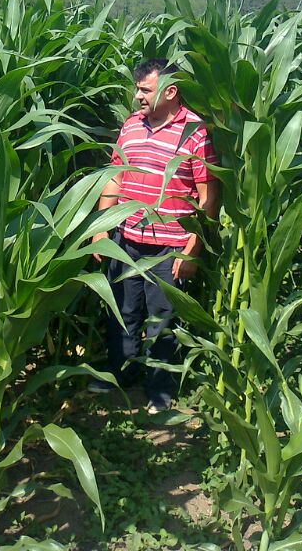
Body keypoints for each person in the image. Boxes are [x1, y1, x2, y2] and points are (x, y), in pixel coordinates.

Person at [88, 58, 220, 413]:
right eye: (138, 88)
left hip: (170, 245)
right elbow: (115, 177)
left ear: (170, 91)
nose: (137, 96)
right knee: (124, 312)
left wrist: (193, 248)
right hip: (127, 238)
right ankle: (122, 373)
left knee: (163, 320)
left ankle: (160, 390)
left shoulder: (195, 131)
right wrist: (101, 228)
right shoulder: (131, 126)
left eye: (145, 89)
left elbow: (208, 196)